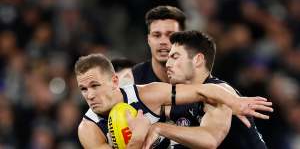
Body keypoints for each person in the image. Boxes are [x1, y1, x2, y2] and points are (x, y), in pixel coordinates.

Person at [75, 53, 273, 148]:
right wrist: (138, 138)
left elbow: (204, 90)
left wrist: (234, 102)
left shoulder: (147, 95)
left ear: (114, 81)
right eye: (83, 89)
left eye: (95, 86)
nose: (89, 95)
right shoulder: (89, 128)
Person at [143, 31, 269, 149]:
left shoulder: (221, 92)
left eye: (175, 57)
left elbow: (210, 139)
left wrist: (160, 128)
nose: (168, 64)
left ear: (197, 60)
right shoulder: (185, 97)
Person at [132, 5, 185, 84]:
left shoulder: (200, 77)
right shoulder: (133, 79)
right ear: (148, 40)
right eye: (157, 35)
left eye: (170, 35)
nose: (163, 41)